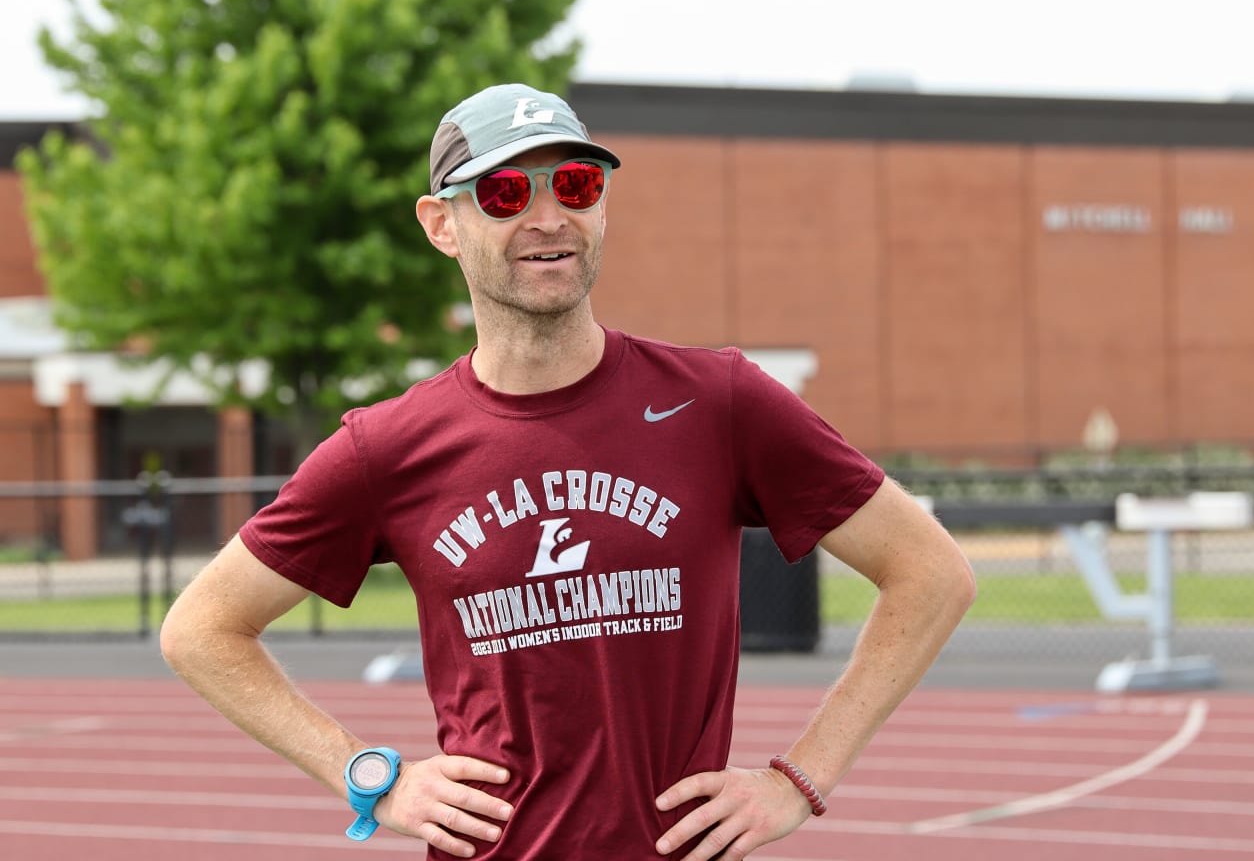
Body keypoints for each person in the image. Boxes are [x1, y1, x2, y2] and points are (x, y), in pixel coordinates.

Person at [160, 82, 976, 861]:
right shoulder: (389, 448)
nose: (550, 218)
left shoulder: (720, 402)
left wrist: (802, 776)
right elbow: (201, 629)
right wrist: (371, 777)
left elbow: (931, 572)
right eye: (507, 194)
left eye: (577, 185)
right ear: (443, 224)